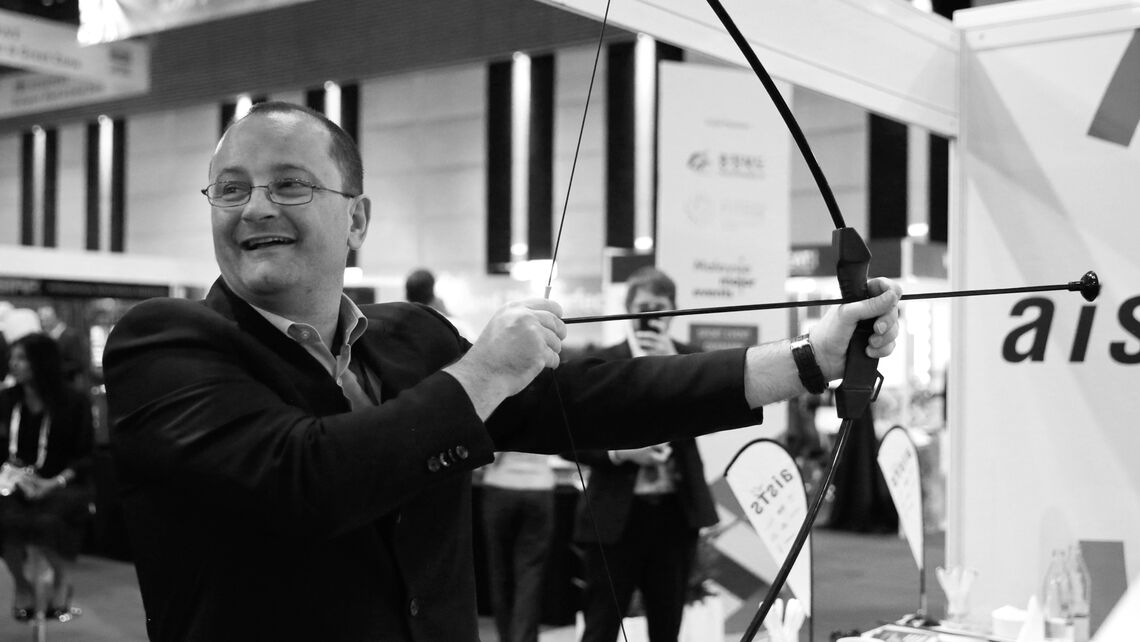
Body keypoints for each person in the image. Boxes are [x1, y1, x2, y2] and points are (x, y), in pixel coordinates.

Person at [102, 101, 902, 641]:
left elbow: (586, 398)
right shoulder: (165, 345)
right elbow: (304, 480)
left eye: (289, 184)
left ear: (357, 219)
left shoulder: (408, 336)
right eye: (231, 190)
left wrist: (808, 360)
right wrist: (483, 372)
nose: (255, 208)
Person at [569, 267, 719, 642]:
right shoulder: (602, 363)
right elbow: (569, 437)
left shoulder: (690, 359)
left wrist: (673, 367)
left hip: (676, 514)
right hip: (614, 515)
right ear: (628, 310)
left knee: (667, 627)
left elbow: (710, 419)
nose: (651, 315)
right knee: (601, 626)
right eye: (643, 307)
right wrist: (620, 454)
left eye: (659, 307)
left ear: (673, 311)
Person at [0, 333, 94, 621]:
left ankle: (61, 581)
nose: (14, 364)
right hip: (14, 482)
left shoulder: (74, 401)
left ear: (41, 362)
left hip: (63, 482)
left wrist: (52, 482)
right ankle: (21, 584)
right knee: (5, 521)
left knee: (46, 524)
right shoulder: (7, 399)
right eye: (13, 357)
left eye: (22, 358)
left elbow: (85, 456)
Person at [480, 451, 556, 642]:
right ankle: (523, 638)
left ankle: (508, 638)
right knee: (530, 575)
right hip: (539, 486)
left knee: (500, 572)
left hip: (501, 485)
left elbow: (489, 455)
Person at [37, 305, 91, 392]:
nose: (43, 323)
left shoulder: (71, 336)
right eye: (41, 320)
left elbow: (78, 363)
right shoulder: (43, 337)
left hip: (68, 386)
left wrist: (54, 369)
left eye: (46, 319)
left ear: (56, 317)